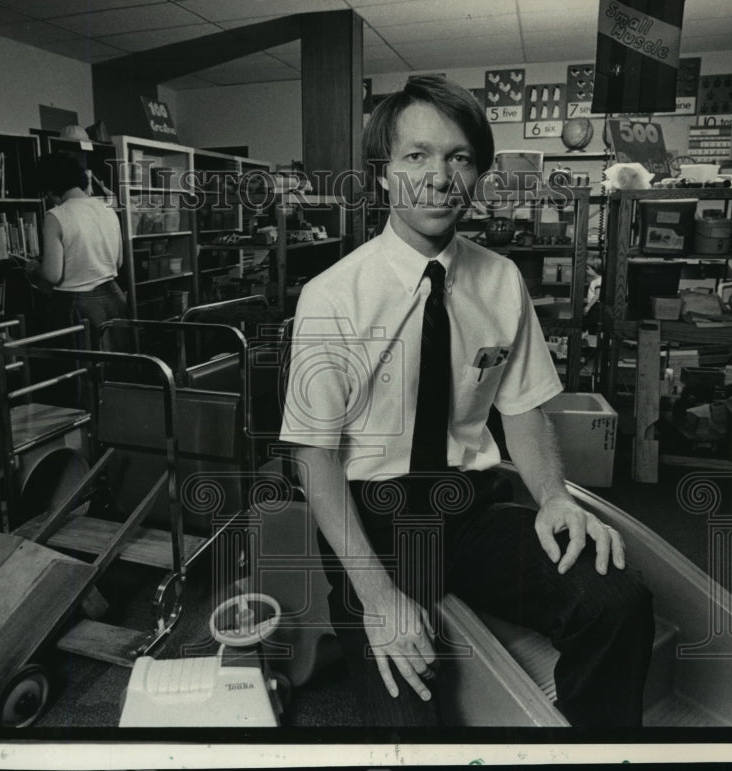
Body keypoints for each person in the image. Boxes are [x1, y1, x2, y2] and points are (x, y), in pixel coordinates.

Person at [278, 75, 654, 727]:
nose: (439, 175)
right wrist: (376, 595)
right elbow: (312, 456)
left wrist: (554, 496)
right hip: (376, 521)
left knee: (616, 600)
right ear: (386, 172)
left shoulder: (500, 279)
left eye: (458, 157)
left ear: (477, 172)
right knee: (408, 714)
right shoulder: (332, 296)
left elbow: (522, 408)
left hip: (470, 507)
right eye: (416, 155)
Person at [26, 152, 127, 348]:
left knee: (82, 371)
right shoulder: (107, 208)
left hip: (77, 304)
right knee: (117, 368)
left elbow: (53, 275)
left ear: (50, 188)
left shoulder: (56, 215)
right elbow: (118, 262)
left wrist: (34, 267)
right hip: (113, 298)